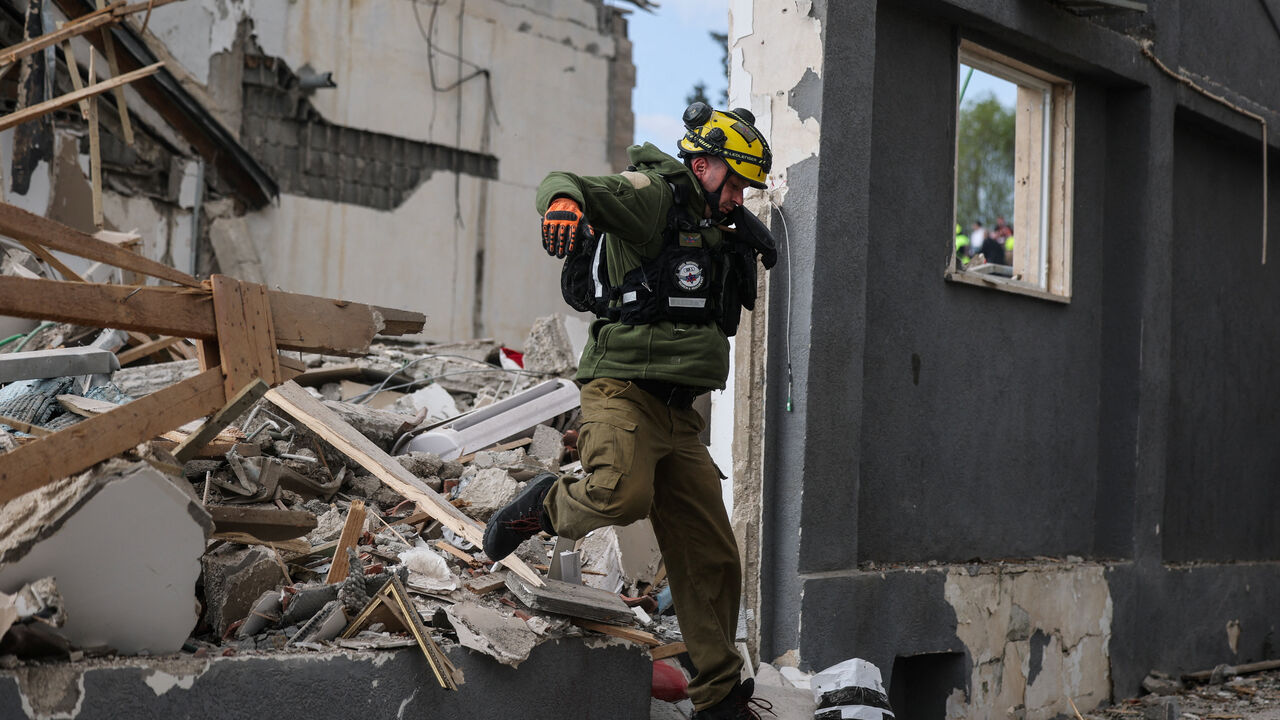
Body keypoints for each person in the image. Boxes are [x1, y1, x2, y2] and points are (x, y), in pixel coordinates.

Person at [483, 103, 776, 720]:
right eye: (738, 181)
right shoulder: (651, 196)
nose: (741, 197)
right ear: (703, 165)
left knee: (712, 556)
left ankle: (720, 699)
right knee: (620, 495)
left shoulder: (720, 224)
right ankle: (546, 503)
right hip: (622, 390)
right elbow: (568, 184)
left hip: (681, 412)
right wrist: (563, 206)